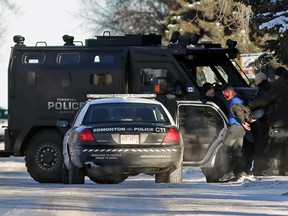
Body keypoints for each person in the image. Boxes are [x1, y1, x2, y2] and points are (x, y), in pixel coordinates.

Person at [249, 66, 288, 176]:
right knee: (286, 147)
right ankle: (285, 169)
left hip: (278, 123)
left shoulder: (278, 86)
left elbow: (264, 100)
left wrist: (250, 105)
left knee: (276, 146)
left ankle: (274, 168)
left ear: (278, 76)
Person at [218, 85, 253, 182]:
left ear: (229, 91)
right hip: (241, 129)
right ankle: (241, 172)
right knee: (237, 151)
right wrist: (244, 123)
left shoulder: (235, 100)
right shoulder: (241, 99)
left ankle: (228, 172)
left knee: (224, 149)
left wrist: (242, 122)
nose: (224, 95)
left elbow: (238, 112)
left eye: (224, 93)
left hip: (234, 128)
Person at [250, 72, 271, 175]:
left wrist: (252, 116)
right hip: (266, 120)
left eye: (256, 80)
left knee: (261, 146)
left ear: (261, 79)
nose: (255, 81)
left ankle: (259, 169)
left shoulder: (264, 89)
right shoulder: (265, 88)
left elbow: (262, 105)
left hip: (265, 121)